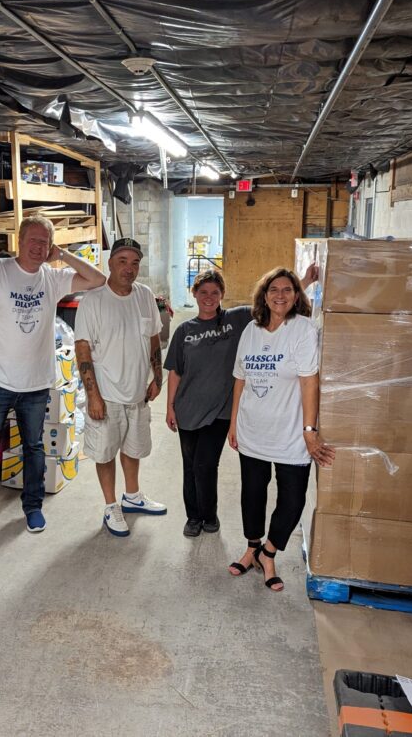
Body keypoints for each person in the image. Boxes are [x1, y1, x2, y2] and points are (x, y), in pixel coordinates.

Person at [0, 215, 106, 546]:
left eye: (44, 242)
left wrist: (62, 254)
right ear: (19, 241)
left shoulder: (53, 278)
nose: (38, 247)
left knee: (34, 448)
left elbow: (98, 279)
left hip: (36, 384)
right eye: (33, 240)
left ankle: (32, 507)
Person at [164, 266, 318, 538]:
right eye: (203, 292)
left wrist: (303, 281)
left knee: (204, 464)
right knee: (190, 466)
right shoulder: (184, 330)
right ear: (194, 294)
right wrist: (170, 406)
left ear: (222, 294)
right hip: (188, 409)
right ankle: (193, 517)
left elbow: (275, 303)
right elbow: (175, 371)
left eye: (215, 292)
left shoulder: (235, 320)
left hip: (220, 412)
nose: (209, 297)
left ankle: (209, 514)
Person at [226, 267, 335, 591]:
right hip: (252, 428)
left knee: (292, 499)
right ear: (264, 295)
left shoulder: (302, 329)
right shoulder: (251, 330)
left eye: (288, 289)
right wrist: (233, 423)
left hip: (290, 433)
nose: (280, 295)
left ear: (296, 295)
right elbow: (240, 380)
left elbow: (309, 381)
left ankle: (269, 552)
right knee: (252, 493)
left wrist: (310, 430)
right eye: (274, 289)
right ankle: (252, 548)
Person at [74, 237, 167, 537]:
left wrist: (157, 377)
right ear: (110, 263)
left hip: (137, 393)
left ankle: (133, 496)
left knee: (133, 446)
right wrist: (93, 396)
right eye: (123, 261)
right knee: (105, 453)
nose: (129, 268)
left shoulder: (144, 295)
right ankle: (111, 505)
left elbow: (153, 337)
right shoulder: (93, 301)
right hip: (107, 395)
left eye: (135, 262)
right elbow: (82, 350)